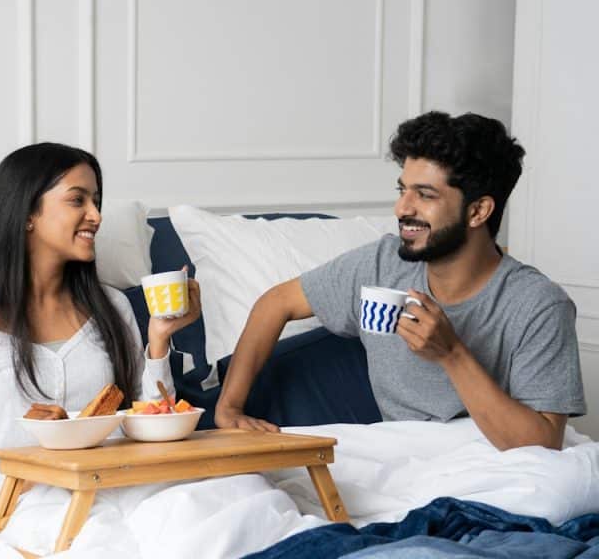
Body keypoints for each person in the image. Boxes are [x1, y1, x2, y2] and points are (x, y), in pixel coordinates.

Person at [215, 111, 586, 451]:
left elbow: (543, 445)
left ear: (477, 211)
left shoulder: (537, 305)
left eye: (424, 195)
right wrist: (228, 407)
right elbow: (276, 302)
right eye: (402, 190)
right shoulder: (381, 264)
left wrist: (452, 354)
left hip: (491, 460)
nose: (402, 208)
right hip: (402, 457)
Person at [0, 142, 201, 509]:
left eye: (97, 201)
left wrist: (158, 342)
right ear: (28, 212)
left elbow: (149, 433)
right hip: (33, 512)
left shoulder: (112, 308)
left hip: (131, 494)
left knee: (245, 503)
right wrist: (37, 477)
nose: (96, 215)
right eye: (78, 200)